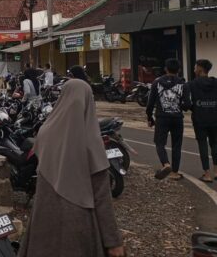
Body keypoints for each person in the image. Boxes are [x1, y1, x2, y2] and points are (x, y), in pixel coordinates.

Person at [19, 79, 125, 257]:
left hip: (43, 223)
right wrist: (113, 241)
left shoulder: (45, 132)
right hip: (78, 226)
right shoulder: (90, 141)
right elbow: (101, 196)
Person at [146, 58, 191, 181]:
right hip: (177, 119)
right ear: (179, 70)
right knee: (177, 145)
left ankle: (166, 164)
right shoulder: (183, 84)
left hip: (162, 118)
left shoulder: (157, 82)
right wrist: (179, 106)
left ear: (165, 69)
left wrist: (150, 117)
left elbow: (150, 104)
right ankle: (175, 173)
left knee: (160, 143)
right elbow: (187, 104)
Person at [188, 59, 217, 183]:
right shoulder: (215, 83)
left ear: (200, 68)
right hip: (214, 118)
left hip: (199, 118)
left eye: (195, 67)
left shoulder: (192, 84)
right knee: (215, 144)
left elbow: (187, 102)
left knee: (202, 144)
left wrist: (193, 107)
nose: (194, 69)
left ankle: (207, 173)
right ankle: (216, 171)